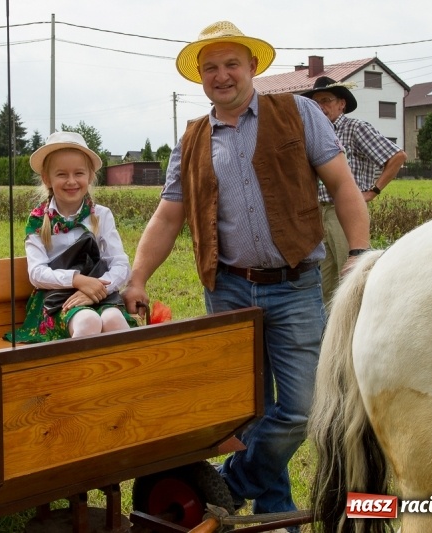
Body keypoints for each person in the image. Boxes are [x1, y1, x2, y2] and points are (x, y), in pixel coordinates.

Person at [121, 21, 370, 521]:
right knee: (249, 410)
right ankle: (276, 512)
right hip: (230, 290)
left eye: (232, 64)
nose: (222, 75)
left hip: (296, 285)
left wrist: (360, 253)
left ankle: (231, 485)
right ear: (200, 77)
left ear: (253, 67)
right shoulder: (191, 140)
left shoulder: (298, 112)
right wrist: (138, 277)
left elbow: (343, 185)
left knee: (302, 410)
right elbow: (169, 215)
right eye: (210, 67)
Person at [10, 131, 136, 343]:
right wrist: (77, 280)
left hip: (99, 293)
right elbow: (37, 273)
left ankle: (123, 374)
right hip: (57, 300)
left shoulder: (101, 216)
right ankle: (74, 375)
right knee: (88, 321)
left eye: (78, 173)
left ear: (90, 176)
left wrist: (97, 289)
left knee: (113, 319)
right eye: (61, 174)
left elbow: (121, 264)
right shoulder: (38, 221)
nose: (71, 181)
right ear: (46, 178)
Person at [302, 76, 407, 308]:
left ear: (342, 104)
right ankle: (329, 334)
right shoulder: (313, 133)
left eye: (326, 100)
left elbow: (397, 156)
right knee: (322, 280)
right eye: (316, 102)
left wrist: (372, 191)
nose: (321, 106)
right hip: (317, 213)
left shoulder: (355, 128)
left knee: (350, 276)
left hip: (344, 214)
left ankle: (357, 329)